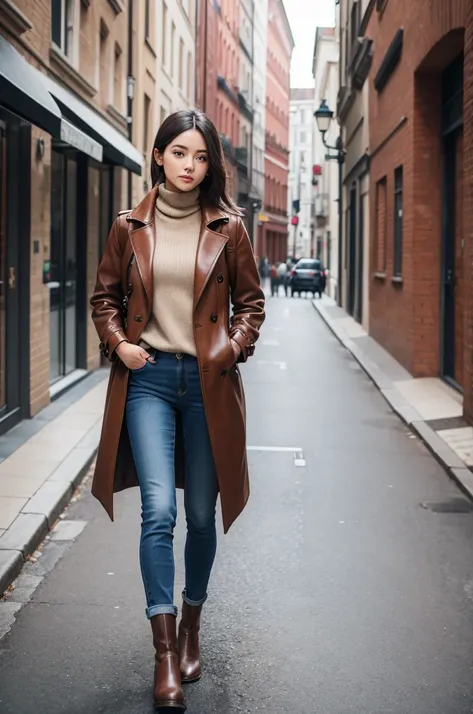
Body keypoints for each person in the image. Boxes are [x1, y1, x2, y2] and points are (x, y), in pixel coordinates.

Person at [90, 109, 265, 711]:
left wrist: (231, 348)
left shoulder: (230, 228)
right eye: (179, 153)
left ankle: (192, 626)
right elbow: (103, 299)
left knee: (197, 514)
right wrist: (121, 345)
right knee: (158, 511)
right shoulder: (128, 226)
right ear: (159, 154)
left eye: (201, 157)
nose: (190, 167)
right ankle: (164, 652)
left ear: (210, 163)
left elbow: (252, 305)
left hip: (210, 385)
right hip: (150, 381)